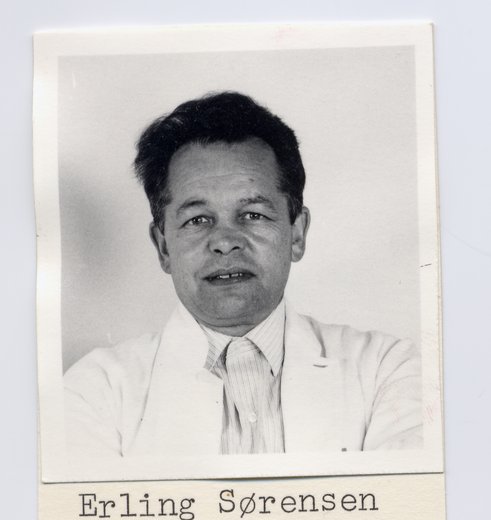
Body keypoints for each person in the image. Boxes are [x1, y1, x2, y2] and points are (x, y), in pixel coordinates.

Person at [64, 91, 422, 462]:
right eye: (197, 219)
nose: (225, 242)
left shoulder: (385, 369)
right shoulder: (96, 392)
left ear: (297, 234)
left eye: (253, 215)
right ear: (163, 247)